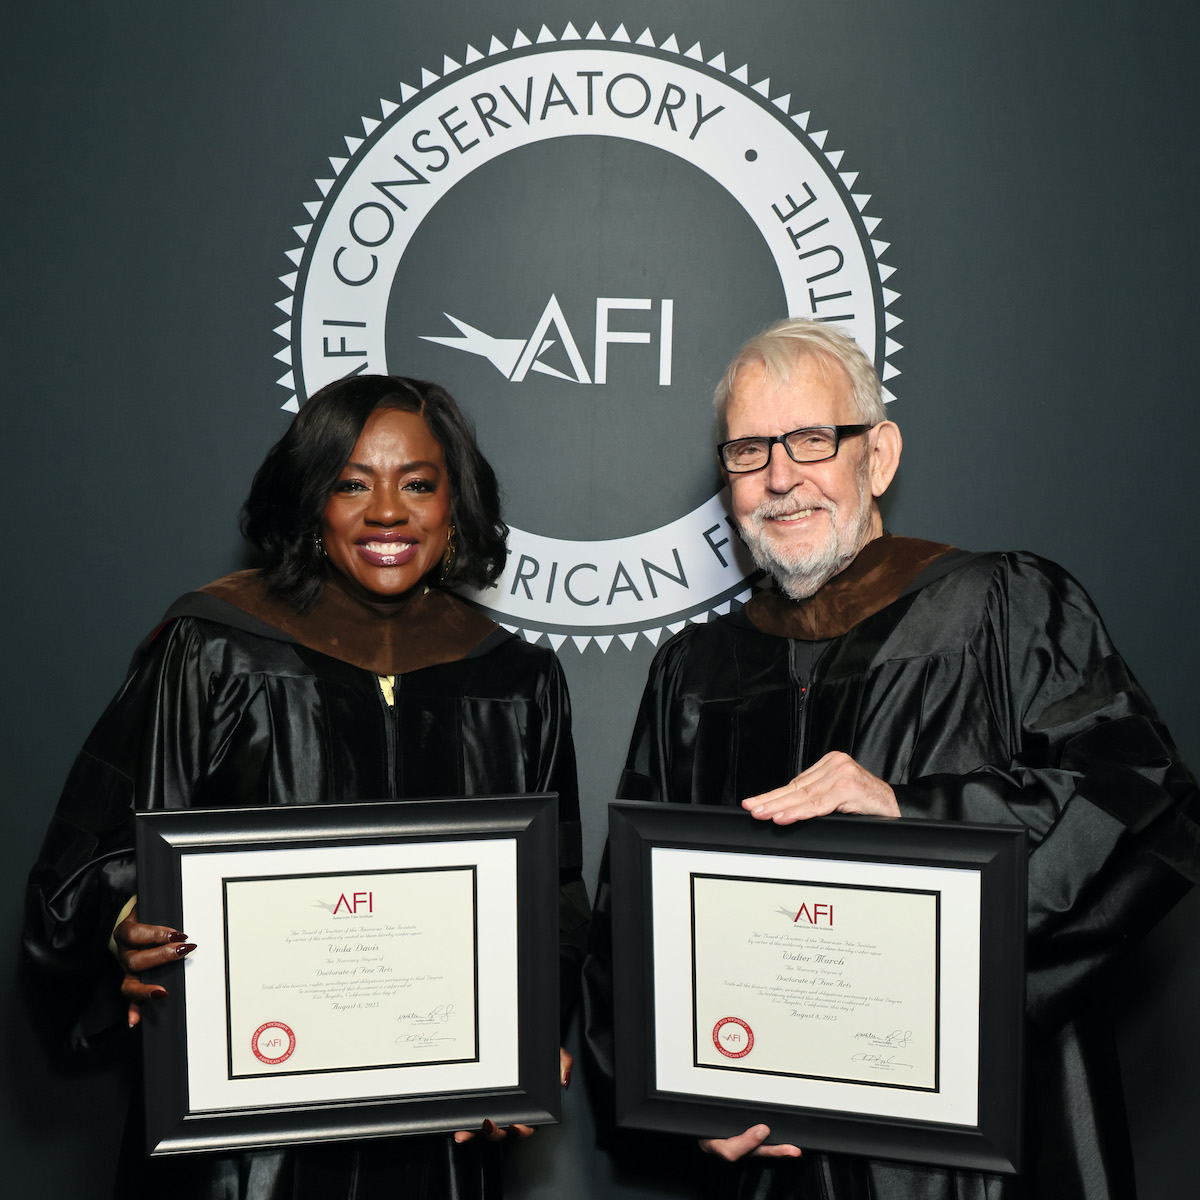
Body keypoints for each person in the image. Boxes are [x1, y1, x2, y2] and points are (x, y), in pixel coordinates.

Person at [583, 318, 1199, 1199]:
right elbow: (629, 926)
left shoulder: (1001, 605)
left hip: (967, 1151)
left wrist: (914, 814)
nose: (781, 478)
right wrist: (680, 1105)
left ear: (878, 456)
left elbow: (1144, 801)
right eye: (749, 451)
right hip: (773, 1157)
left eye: (811, 440)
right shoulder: (696, 671)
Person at [24, 374, 590, 1200]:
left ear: (454, 504)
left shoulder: (516, 677)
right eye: (351, 483)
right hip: (243, 1148)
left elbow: (556, 891)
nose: (387, 512)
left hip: (433, 1136)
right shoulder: (215, 646)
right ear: (309, 500)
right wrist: (122, 926)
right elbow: (98, 847)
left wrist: (535, 1025)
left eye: (419, 484)